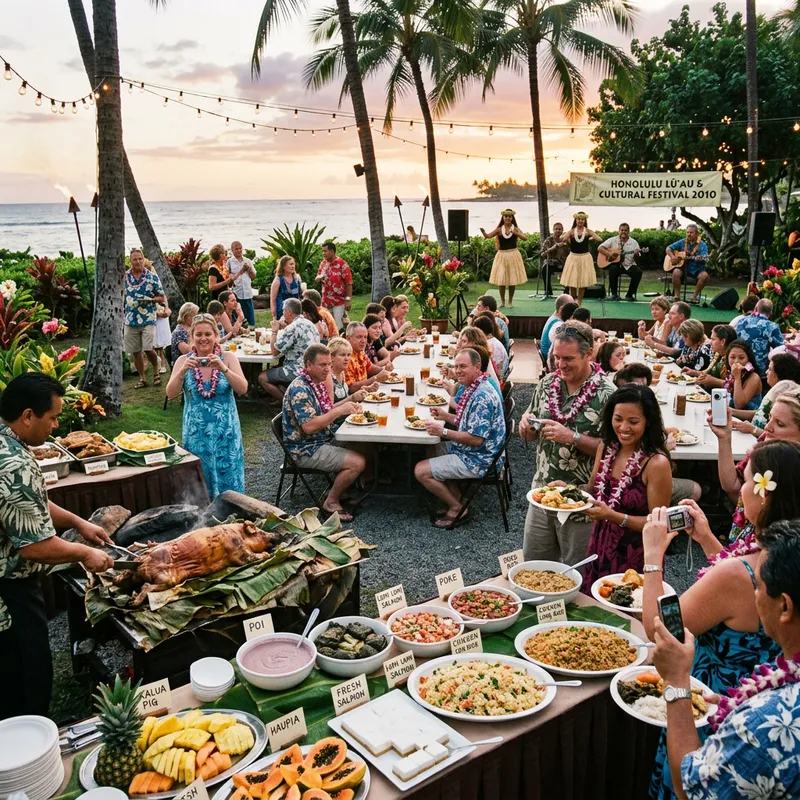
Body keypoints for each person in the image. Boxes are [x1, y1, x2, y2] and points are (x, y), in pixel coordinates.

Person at [642, 440, 800, 799]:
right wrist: (708, 539)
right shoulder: (784, 558)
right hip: (762, 687)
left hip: (711, 715)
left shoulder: (738, 574)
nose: (740, 491)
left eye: (745, 481)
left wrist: (652, 556)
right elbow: (741, 591)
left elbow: (660, 628)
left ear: (764, 494)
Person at [0, 373, 114, 719]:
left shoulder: (9, 443)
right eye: (51, 418)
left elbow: (29, 503)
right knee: (26, 675)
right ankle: (28, 745)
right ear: (28, 416)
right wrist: (84, 552)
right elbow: (33, 547)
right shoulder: (14, 464)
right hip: (10, 589)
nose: (56, 425)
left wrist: (79, 523)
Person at [520, 321, 617, 563]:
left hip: (581, 501)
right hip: (542, 491)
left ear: (589, 354)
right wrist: (525, 425)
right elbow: (531, 428)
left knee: (576, 572)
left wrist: (572, 437)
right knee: (534, 568)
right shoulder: (546, 383)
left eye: (569, 359)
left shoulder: (608, 394)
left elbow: (616, 452)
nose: (560, 365)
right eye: (556, 357)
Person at [580, 385, 672, 590]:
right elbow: (592, 490)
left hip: (636, 555)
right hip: (600, 546)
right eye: (618, 419)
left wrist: (613, 516)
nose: (623, 427)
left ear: (648, 422)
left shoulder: (656, 463)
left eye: (633, 421)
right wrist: (564, 492)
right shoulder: (605, 448)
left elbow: (658, 524)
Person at [414, 348, 506, 527]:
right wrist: (445, 416)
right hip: (476, 451)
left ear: (477, 367)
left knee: (420, 471)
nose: (457, 371)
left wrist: (443, 432)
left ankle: (457, 508)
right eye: (456, 366)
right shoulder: (477, 386)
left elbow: (475, 439)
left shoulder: (481, 397)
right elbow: (469, 423)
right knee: (431, 448)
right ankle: (458, 497)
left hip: (481, 458)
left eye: (463, 366)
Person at [282, 343, 366, 522]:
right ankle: (331, 501)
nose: (328, 369)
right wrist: (339, 411)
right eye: (322, 365)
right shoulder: (300, 389)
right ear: (308, 365)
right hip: (304, 449)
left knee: (365, 444)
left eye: (329, 364)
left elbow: (326, 409)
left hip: (321, 439)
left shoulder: (316, 383)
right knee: (357, 462)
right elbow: (309, 426)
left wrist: (348, 402)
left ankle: (346, 488)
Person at [166, 314, 248, 496]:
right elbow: (170, 394)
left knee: (229, 478)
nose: (203, 338)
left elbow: (242, 388)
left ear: (216, 336)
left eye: (208, 334)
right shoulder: (182, 361)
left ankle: (233, 516)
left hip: (225, 433)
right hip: (197, 435)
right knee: (199, 480)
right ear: (192, 337)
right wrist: (182, 371)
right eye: (199, 334)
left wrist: (224, 369)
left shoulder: (227, 358)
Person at [711, 393, 800, 544]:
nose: (767, 427)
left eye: (779, 423)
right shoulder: (765, 447)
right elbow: (731, 485)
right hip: (751, 537)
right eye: (770, 418)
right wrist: (724, 438)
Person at [258, 298, 320, 401]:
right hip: (312, 366)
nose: (282, 313)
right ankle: (284, 396)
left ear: (289, 312)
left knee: (262, 377)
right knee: (277, 367)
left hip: (298, 369)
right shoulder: (309, 324)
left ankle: (287, 403)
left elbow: (274, 351)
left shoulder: (293, 327)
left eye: (283, 310)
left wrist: (274, 331)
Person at [124, 248, 166, 389]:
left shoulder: (151, 277)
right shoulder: (124, 277)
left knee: (148, 348)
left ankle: (156, 372)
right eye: (135, 259)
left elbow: (161, 296)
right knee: (135, 351)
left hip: (148, 317)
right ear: (130, 261)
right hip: (130, 319)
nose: (138, 262)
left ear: (144, 260)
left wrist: (151, 300)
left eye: (140, 259)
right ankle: (142, 378)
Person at [731, 352, 800, 433]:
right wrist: (732, 411)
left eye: (770, 369)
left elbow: (781, 438)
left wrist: (754, 430)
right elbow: (761, 413)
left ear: (780, 373)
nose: (766, 372)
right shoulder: (775, 391)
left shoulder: (789, 400)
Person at [480, 209, 528, 308]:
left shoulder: (515, 229)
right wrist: (483, 232)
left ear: (512, 218)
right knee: (501, 280)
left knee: (512, 279)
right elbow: (488, 236)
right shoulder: (499, 229)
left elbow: (524, 238)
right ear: (503, 217)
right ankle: (502, 301)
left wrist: (516, 234)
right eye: (505, 216)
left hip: (513, 254)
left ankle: (510, 301)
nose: (507, 218)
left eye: (509, 216)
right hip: (501, 255)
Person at [559, 212, 602, 306]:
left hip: (584, 258)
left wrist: (591, 233)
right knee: (572, 281)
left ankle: (579, 302)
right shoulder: (571, 231)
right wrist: (566, 237)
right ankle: (572, 302)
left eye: (582, 219)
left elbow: (599, 239)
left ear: (585, 221)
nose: (580, 221)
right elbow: (562, 239)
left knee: (582, 282)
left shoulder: (587, 232)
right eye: (579, 219)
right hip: (573, 258)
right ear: (576, 220)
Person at [734, 298, 784, 375]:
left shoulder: (741, 322)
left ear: (756, 308)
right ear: (770, 313)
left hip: (740, 367)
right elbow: (780, 349)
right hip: (760, 371)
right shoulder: (771, 326)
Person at [598, 222, 642, 301]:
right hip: (616, 265)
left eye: (625, 230)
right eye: (622, 230)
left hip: (628, 265)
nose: (623, 232)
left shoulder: (634, 242)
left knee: (638, 272)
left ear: (628, 232)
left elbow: (637, 259)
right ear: (619, 231)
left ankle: (629, 295)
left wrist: (636, 254)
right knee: (613, 269)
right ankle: (614, 295)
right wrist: (609, 254)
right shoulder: (612, 240)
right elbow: (600, 248)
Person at [666, 224, 710, 304]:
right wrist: (673, 257)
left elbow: (705, 257)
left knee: (704, 276)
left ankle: (694, 297)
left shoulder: (702, 245)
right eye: (687, 232)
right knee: (676, 272)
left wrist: (700, 258)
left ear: (696, 234)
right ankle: (676, 296)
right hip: (683, 268)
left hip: (696, 269)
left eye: (691, 233)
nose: (689, 234)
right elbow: (668, 248)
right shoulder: (682, 242)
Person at [316, 242, 352, 330]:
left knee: (337, 326)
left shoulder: (342, 264)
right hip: (325, 301)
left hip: (339, 302)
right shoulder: (323, 264)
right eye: (322, 251)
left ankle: (339, 342)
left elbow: (349, 283)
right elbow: (319, 276)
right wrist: (318, 279)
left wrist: (348, 300)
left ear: (332, 251)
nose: (323, 253)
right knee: (326, 325)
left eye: (325, 251)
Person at [343, 322, 388, 392]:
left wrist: (384, 369)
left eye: (365, 337)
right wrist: (376, 378)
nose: (363, 341)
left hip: (366, 393)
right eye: (359, 337)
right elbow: (351, 387)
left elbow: (370, 368)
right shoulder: (345, 357)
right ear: (348, 338)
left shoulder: (360, 351)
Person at [724, 338, 762, 411]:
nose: (736, 361)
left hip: (747, 419)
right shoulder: (730, 372)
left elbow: (739, 405)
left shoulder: (754, 377)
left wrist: (737, 377)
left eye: (741, 358)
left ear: (748, 359)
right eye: (732, 357)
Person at [226, 240, 257, 326]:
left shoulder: (247, 261)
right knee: (238, 318)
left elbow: (253, 276)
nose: (239, 250)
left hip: (247, 293)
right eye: (236, 249)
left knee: (251, 319)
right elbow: (227, 278)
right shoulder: (229, 262)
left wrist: (249, 269)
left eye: (240, 248)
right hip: (236, 293)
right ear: (232, 250)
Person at [539, 222, 569, 299]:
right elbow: (542, 254)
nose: (558, 231)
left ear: (562, 230)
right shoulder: (549, 240)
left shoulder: (565, 240)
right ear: (553, 230)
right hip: (551, 262)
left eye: (560, 229)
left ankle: (567, 290)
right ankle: (548, 291)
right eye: (556, 229)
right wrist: (553, 247)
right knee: (545, 268)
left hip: (563, 263)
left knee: (570, 268)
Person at [540, 294, 574, 358]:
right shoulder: (557, 325)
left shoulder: (554, 318)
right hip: (551, 359)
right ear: (561, 309)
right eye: (571, 308)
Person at [270, 255, 302, 322]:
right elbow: (273, 299)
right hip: (282, 313)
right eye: (290, 264)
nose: (293, 266)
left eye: (293, 264)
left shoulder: (297, 278)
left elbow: (300, 294)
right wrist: (274, 315)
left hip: (296, 312)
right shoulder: (277, 281)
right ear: (284, 266)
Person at [154, 301, 171, 374]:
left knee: (161, 346)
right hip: (154, 323)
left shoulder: (163, 301)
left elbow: (167, 310)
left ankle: (163, 365)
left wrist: (163, 312)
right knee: (154, 345)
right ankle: (157, 365)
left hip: (162, 323)